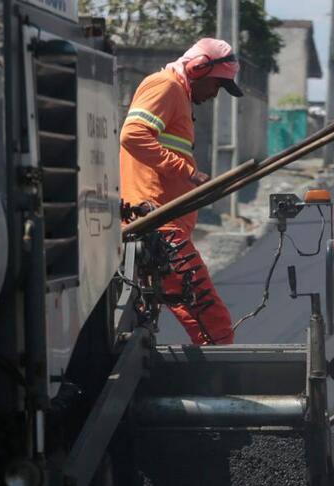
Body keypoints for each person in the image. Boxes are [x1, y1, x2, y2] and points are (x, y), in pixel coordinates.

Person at [119, 38, 243, 345]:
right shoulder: (166, 86)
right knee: (212, 321)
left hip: (163, 223)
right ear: (198, 68)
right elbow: (132, 135)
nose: (215, 94)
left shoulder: (177, 94)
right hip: (160, 225)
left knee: (143, 319)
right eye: (217, 85)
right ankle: (222, 383)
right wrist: (187, 172)